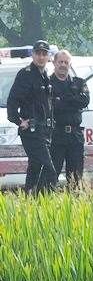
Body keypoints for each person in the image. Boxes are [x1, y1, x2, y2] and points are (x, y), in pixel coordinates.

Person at [6, 40, 57, 194]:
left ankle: (30, 199)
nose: (41, 57)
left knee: (35, 166)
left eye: (44, 54)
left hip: (44, 130)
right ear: (33, 55)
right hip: (31, 131)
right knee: (50, 170)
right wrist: (18, 121)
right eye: (38, 54)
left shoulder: (45, 75)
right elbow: (12, 101)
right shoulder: (25, 74)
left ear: (48, 56)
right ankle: (47, 200)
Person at [50, 49, 90, 189]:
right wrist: (73, 100)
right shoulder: (48, 83)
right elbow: (52, 106)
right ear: (54, 63)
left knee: (75, 177)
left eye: (66, 62)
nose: (63, 65)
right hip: (56, 134)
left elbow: (84, 101)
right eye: (60, 62)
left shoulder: (79, 82)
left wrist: (62, 99)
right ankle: (48, 199)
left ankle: (74, 199)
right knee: (51, 174)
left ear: (70, 64)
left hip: (75, 135)